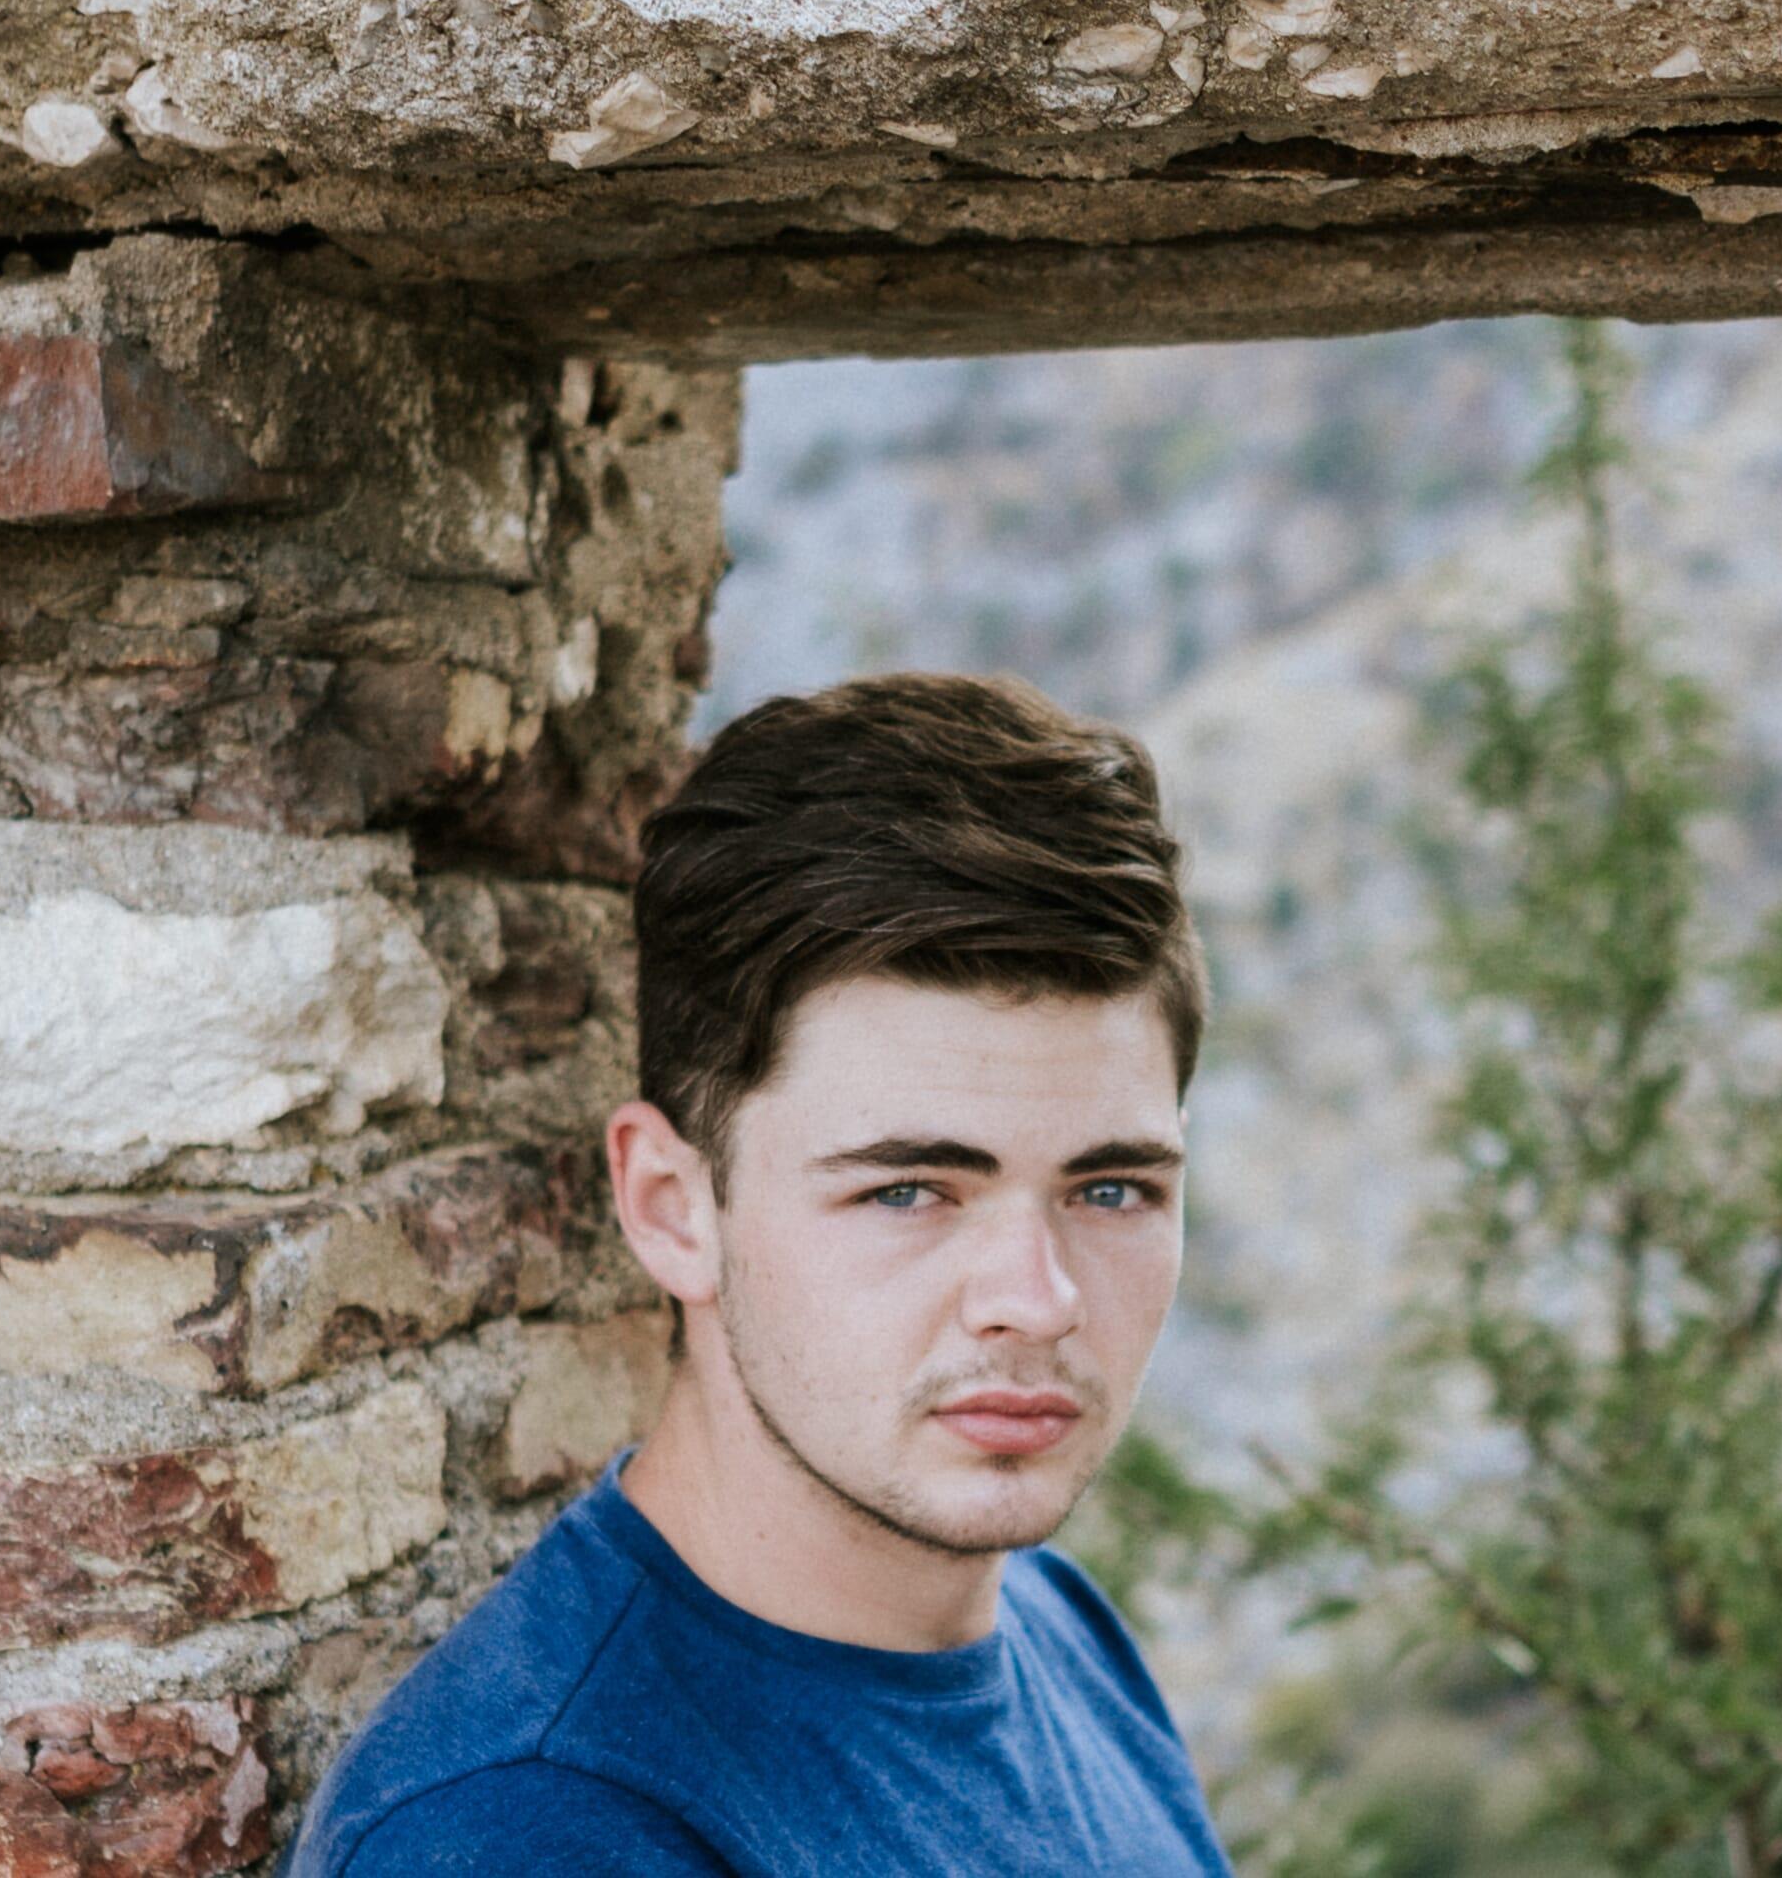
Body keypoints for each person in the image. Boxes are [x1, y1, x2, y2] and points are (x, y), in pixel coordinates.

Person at [293, 673, 1233, 1875]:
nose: (1037, 1297)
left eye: (1111, 1189)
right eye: (906, 1190)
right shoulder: (528, 1832)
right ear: (671, 1208)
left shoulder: (1055, 1624)